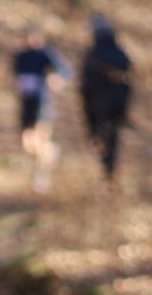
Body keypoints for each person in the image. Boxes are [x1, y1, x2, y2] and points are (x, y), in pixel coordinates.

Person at [11, 29, 71, 192]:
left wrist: (56, 78)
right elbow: (15, 74)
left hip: (42, 104)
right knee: (28, 143)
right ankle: (50, 153)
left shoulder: (46, 53)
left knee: (39, 139)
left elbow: (65, 70)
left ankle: (40, 177)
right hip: (26, 104)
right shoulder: (21, 56)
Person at [80, 15, 133, 182]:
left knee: (102, 134)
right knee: (112, 136)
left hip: (99, 103)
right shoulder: (121, 53)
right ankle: (109, 169)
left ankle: (107, 168)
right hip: (118, 103)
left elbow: (86, 86)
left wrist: (89, 116)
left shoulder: (92, 54)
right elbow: (128, 82)